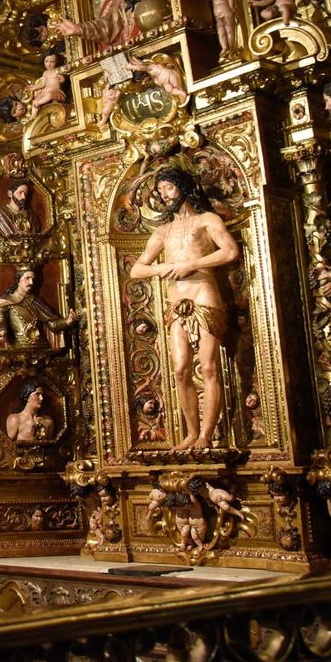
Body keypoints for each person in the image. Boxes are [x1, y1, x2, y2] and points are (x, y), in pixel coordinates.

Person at [129, 168, 241, 451]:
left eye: (168, 188)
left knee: (209, 367)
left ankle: (206, 434)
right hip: (176, 304)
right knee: (180, 369)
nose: (164, 195)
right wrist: (163, 267)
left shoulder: (207, 220)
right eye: (161, 190)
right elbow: (137, 269)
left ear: (183, 187)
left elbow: (229, 251)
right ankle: (191, 433)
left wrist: (192, 264)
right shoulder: (163, 231)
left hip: (204, 295)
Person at [0, 267, 77, 350]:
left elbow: (51, 324)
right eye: (27, 278)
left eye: (33, 279)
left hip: (42, 346)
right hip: (19, 346)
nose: (31, 282)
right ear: (18, 281)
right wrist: (2, 331)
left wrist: (67, 322)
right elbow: (1, 320)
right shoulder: (6, 301)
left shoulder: (37, 301)